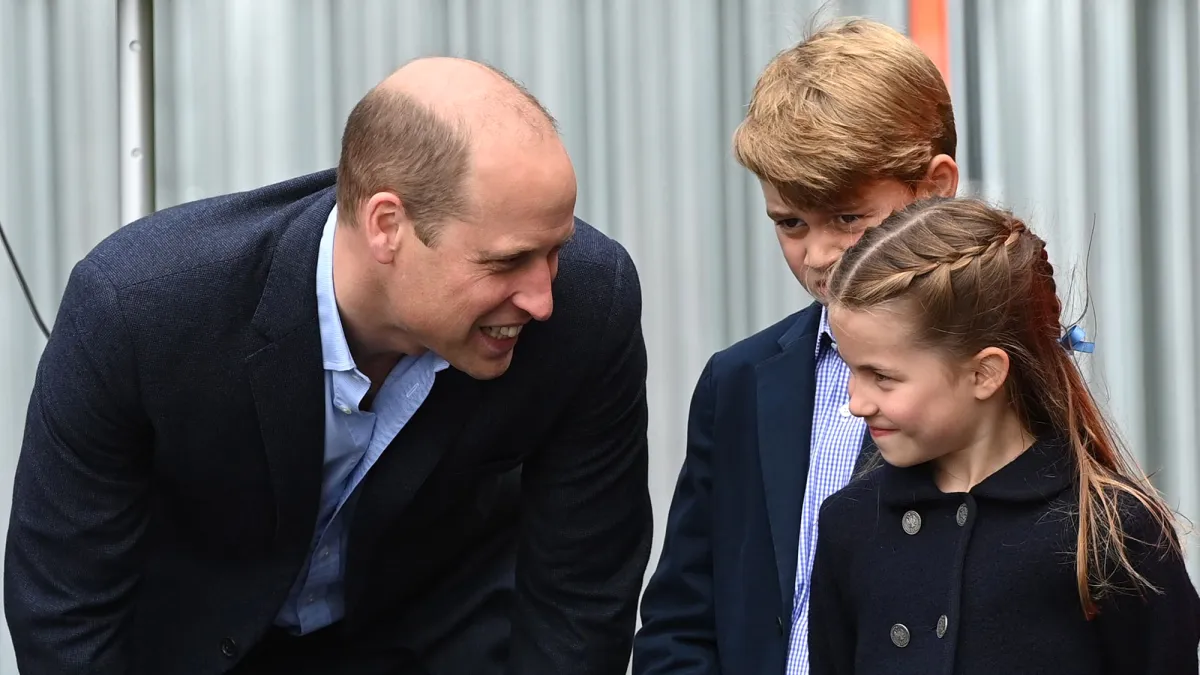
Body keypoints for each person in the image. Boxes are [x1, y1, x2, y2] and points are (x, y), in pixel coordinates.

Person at [4, 57, 652, 675]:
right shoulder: (140, 310)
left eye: (555, 252)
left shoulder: (590, 305)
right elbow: (63, 607)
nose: (542, 298)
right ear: (387, 226)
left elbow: (581, 595)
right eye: (506, 261)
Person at [633, 17, 959, 675]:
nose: (819, 255)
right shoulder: (739, 382)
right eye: (790, 223)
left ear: (934, 188)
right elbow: (678, 621)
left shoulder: (990, 379)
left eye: (847, 217)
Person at [809, 197, 1200, 674]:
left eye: (883, 377)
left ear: (984, 374)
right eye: (851, 370)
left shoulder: (1111, 531)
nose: (857, 403)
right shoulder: (849, 523)